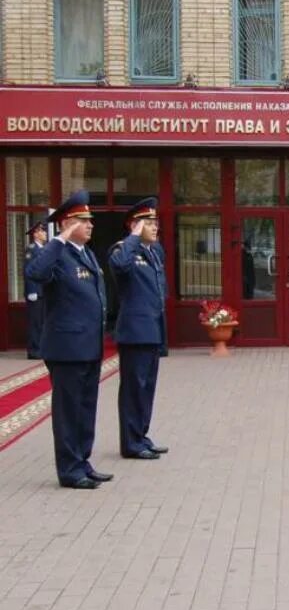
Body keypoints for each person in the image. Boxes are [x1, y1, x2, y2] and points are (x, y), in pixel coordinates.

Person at [25, 190, 111, 489]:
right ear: (67, 223)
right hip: (67, 348)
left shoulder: (86, 252)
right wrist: (58, 239)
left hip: (88, 346)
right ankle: (69, 470)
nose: (90, 225)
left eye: (90, 220)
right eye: (83, 220)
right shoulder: (56, 252)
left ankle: (82, 461)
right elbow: (35, 273)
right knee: (68, 411)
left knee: (86, 409)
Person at [109, 197, 170, 461]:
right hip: (134, 331)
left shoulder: (154, 251)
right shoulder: (123, 250)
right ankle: (131, 442)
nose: (155, 227)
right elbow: (120, 265)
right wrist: (134, 235)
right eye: (148, 222)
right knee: (134, 388)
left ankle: (141, 435)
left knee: (147, 387)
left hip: (153, 329)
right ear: (134, 225)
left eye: (156, 222)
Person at [24, 220, 47, 359]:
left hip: (43, 291)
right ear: (36, 234)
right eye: (42, 231)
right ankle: (33, 350)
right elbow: (29, 271)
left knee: (42, 321)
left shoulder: (43, 249)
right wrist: (32, 290)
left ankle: (40, 347)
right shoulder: (31, 249)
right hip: (35, 292)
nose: (45, 234)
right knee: (35, 322)